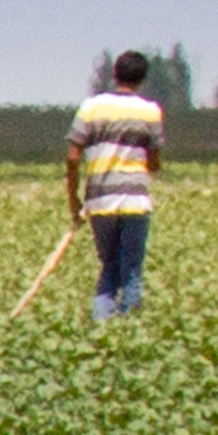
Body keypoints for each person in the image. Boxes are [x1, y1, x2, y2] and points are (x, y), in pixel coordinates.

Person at [66, 48, 168, 315]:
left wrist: (73, 197)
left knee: (109, 265)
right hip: (135, 200)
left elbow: (73, 157)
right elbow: (154, 160)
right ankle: (129, 330)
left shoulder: (91, 107)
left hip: (100, 200)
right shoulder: (150, 112)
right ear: (143, 79)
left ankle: (103, 328)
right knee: (132, 269)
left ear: (115, 75)